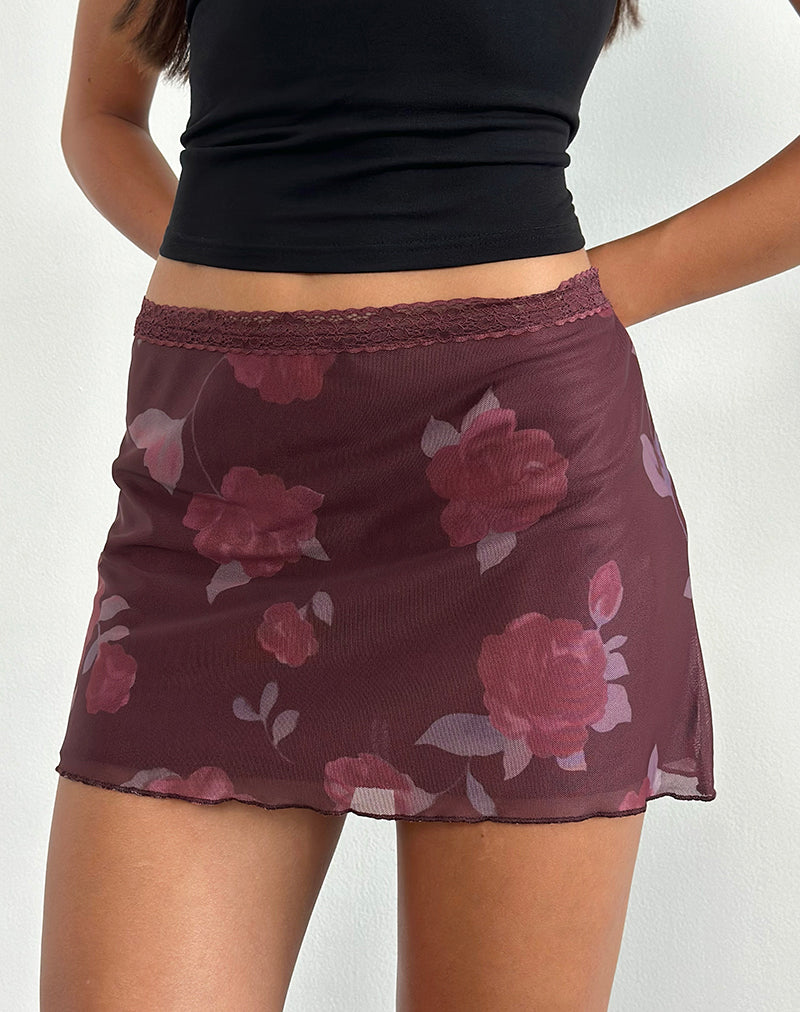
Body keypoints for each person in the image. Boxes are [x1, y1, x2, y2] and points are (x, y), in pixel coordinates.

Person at [39, 0, 799, 1008]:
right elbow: (98, 117)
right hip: (215, 495)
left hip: (516, 485)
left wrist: (601, 293)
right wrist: (231, 287)